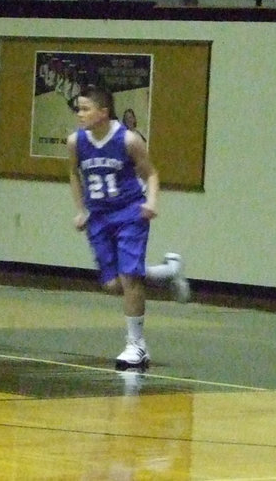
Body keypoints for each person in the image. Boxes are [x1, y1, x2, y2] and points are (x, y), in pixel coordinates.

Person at [66, 85, 190, 372]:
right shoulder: (76, 142)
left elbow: (151, 172)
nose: (80, 114)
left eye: (85, 109)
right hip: (98, 216)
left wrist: (152, 202)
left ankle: (136, 345)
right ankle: (169, 271)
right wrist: (81, 209)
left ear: (103, 112)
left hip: (129, 213)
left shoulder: (128, 140)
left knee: (130, 278)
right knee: (113, 285)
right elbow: (73, 173)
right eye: (78, 109)